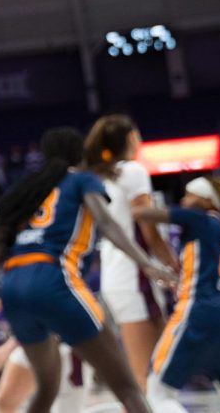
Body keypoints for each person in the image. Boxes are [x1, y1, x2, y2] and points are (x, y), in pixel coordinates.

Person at [0, 126, 175, 413]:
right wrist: (145, 262)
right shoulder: (82, 180)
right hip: (55, 279)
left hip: (13, 288)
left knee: (46, 389)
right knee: (127, 387)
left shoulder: (23, 190)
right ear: (78, 154)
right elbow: (106, 223)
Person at [135, 176, 220, 412]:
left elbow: (143, 214)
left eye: (188, 195)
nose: (183, 200)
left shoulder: (199, 218)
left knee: (157, 390)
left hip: (197, 311)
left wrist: (136, 202)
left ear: (204, 200)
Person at [86, 115, 177, 391]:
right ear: (130, 138)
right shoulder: (132, 171)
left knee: (152, 371)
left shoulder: (103, 177)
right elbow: (147, 229)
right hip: (135, 278)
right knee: (145, 377)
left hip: (118, 277)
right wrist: (174, 264)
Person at [0, 335, 87, 413]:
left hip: (69, 343)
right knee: (5, 401)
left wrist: (7, 348)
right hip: (33, 341)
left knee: (66, 409)